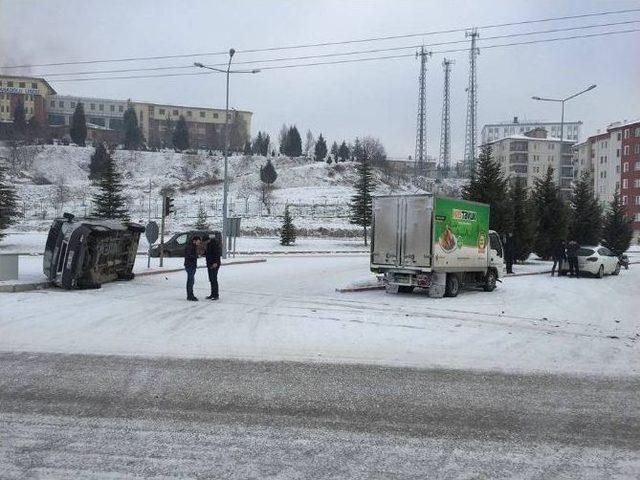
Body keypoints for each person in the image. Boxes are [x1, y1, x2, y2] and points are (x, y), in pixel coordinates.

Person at [184, 236, 202, 301]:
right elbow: (189, 255)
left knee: (191, 280)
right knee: (190, 281)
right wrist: (196, 256)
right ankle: (190, 295)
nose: (199, 243)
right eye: (198, 242)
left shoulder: (193, 246)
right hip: (189, 265)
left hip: (191, 265)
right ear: (195, 240)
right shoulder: (190, 246)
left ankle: (190, 295)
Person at [205, 234, 221, 300]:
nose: (205, 243)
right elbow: (209, 254)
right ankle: (212, 294)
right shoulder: (209, 244)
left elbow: (217, 254)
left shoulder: (214, 244)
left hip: (214, 264)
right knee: (211, 279)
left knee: (214, 279)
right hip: (210, 264)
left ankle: (216, 295)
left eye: (205, 241)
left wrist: (215, 263)